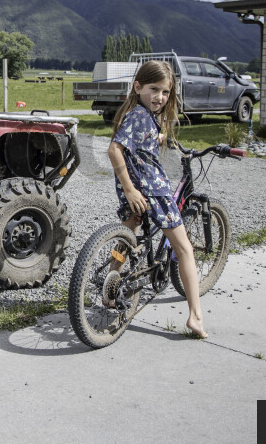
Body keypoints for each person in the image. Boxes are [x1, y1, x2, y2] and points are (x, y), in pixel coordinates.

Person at [106, 60, 208, 338]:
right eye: (154, 89)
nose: (160, 97)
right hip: (152, 189)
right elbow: (114, 150)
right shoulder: (139, 116)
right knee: (184, 249)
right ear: (138, 87)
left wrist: (159, 137)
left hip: (137, 189)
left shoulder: (138, 114)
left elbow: (137, 139)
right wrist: (130, 189)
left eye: (165, 92)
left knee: (128, 236)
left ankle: (110, 287)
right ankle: (196, 316)